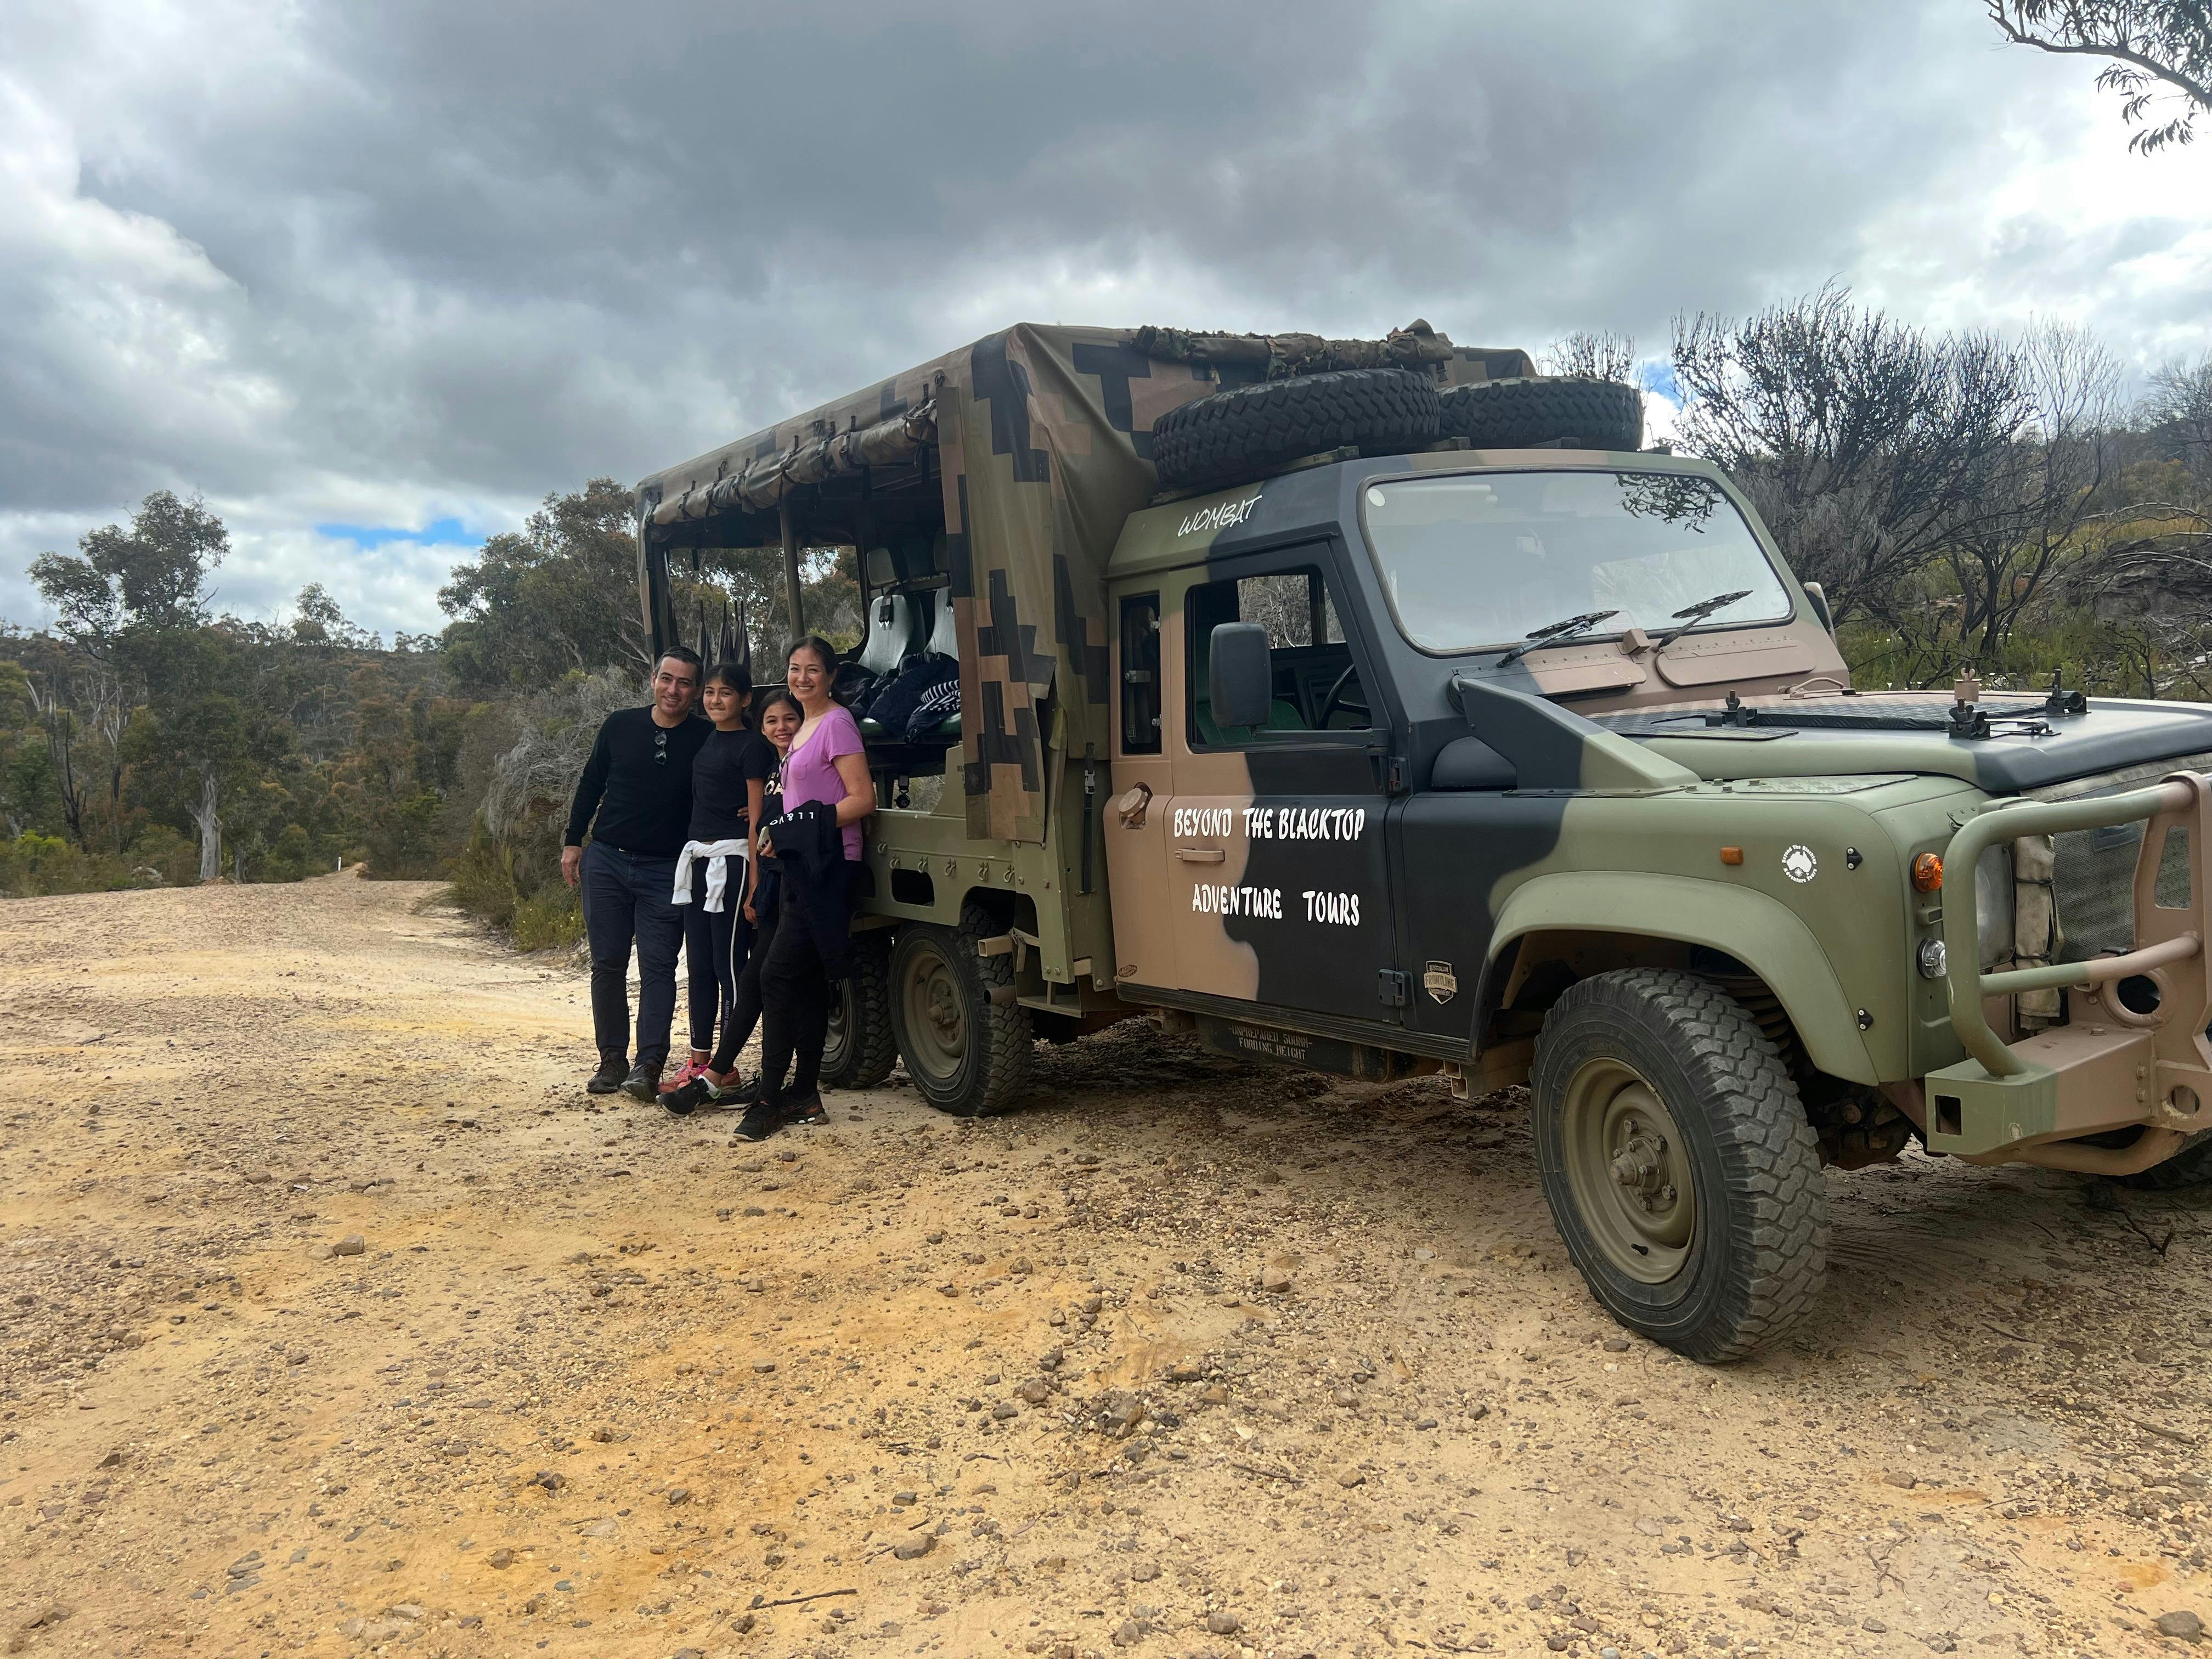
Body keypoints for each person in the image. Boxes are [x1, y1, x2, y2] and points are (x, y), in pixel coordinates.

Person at [743, 636, 876, 1139]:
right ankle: (804, 1095)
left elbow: (863, 799)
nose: (802, 678)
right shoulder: (804, 727)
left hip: (830, 865)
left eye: (813, 670)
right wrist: (781, 834)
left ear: (832, 675)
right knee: (803, 981)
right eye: (795, 669)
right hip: (802, 865)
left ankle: (773, 1096)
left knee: (776, 976)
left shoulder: (837, 723)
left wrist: (797, 831)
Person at [563, 648, 708, 1099]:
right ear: (653, 679)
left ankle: (648, 1065)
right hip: (606, 859)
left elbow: (731, 778)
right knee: (607, 963)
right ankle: (611, 1061)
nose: (674, 690)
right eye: (667, 679)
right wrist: (573, 842)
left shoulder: (706, 737)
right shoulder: (620, 726)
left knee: (659, 968)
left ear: (697, 691)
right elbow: (591, 783)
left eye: (684, 683)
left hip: (667, 869)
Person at [662, 687, 802, 1117]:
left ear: (745, 700)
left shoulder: (751, 747)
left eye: (726, 694)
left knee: (731, 968)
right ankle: (701, 1060)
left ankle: (733, 1065)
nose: (715, 700)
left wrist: (755, 880)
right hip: (699, 857)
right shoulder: (707, 738)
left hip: (735, 862)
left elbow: (757, 817)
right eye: (709, 692)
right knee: (700, 966)